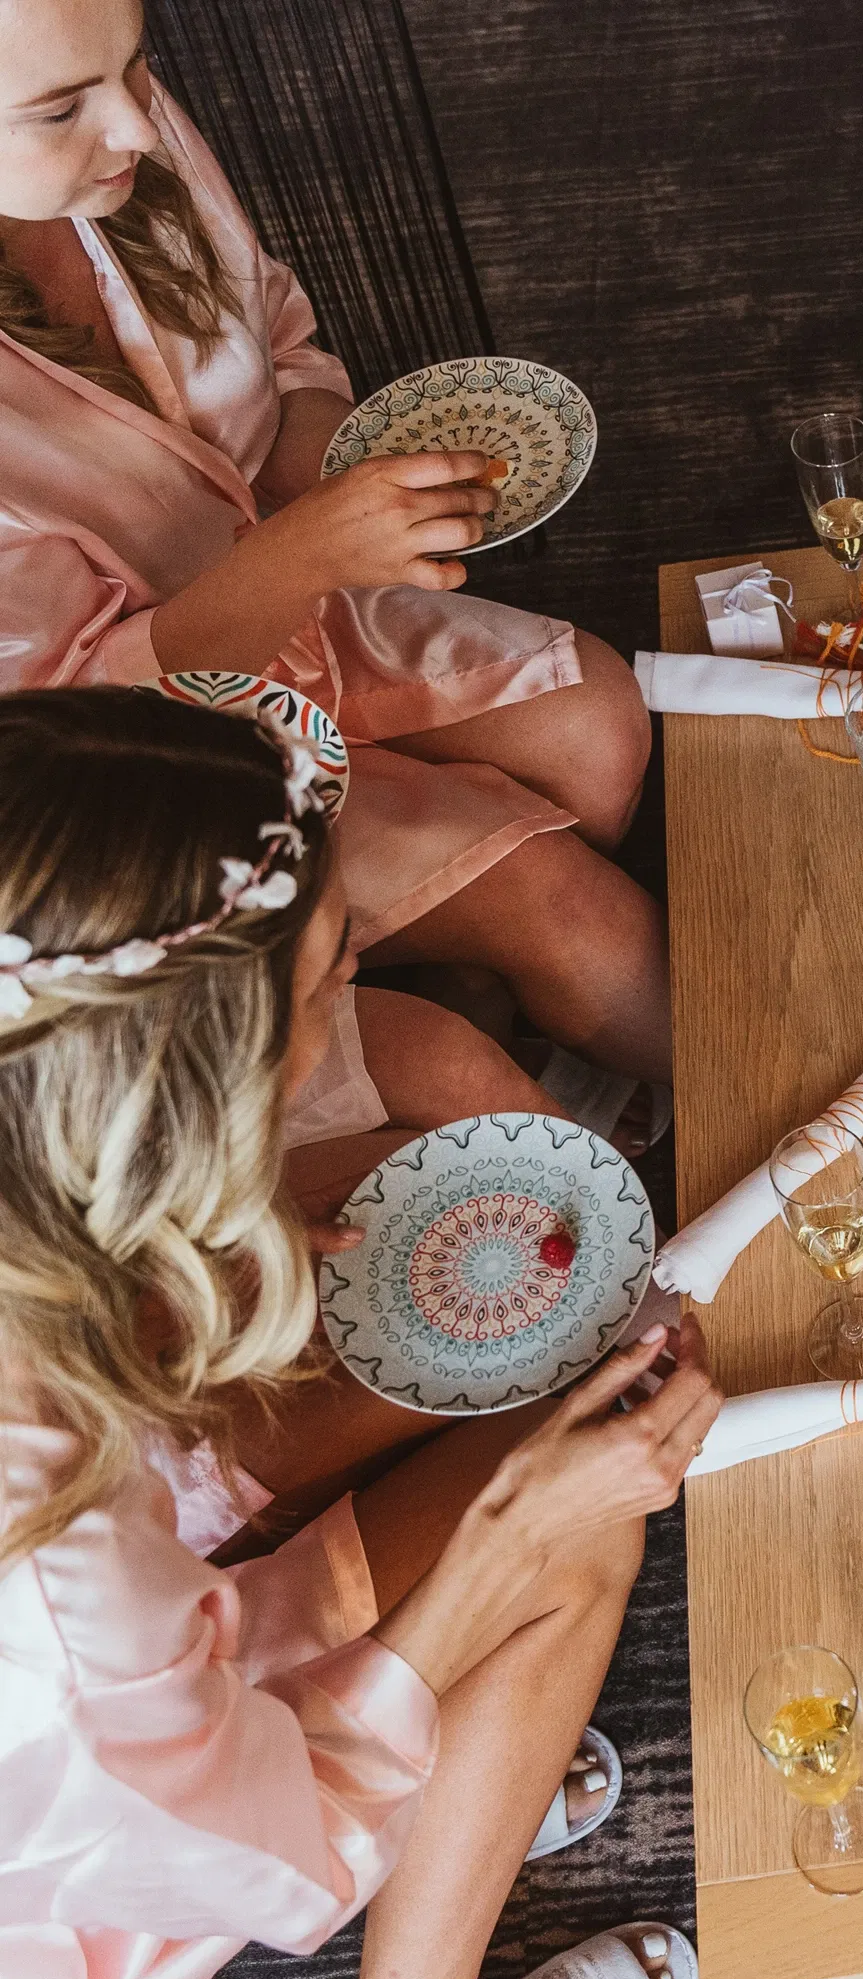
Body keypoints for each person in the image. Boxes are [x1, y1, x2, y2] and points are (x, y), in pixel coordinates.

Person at [0, 688, 721, 1979]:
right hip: (129, 1855)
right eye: (339, 965)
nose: (362, 968)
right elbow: (284, 1864)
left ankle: (461, 1778)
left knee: (471, 1355)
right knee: (570, 1523)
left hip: (125, 1636)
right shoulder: (65, 1592)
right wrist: (494, 1551)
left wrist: (216, 1255)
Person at [0, 0, 671, 1154]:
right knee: (572, 917)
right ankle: (813, 1147)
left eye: (139, 62)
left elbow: (281, 330)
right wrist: (309, 550)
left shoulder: (119, 134)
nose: (142, 129)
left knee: (596, 719)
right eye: (61, 107)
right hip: (138, 789)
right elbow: (61, 729)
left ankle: (481, 1006)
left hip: (292, 606)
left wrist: (356, 480)